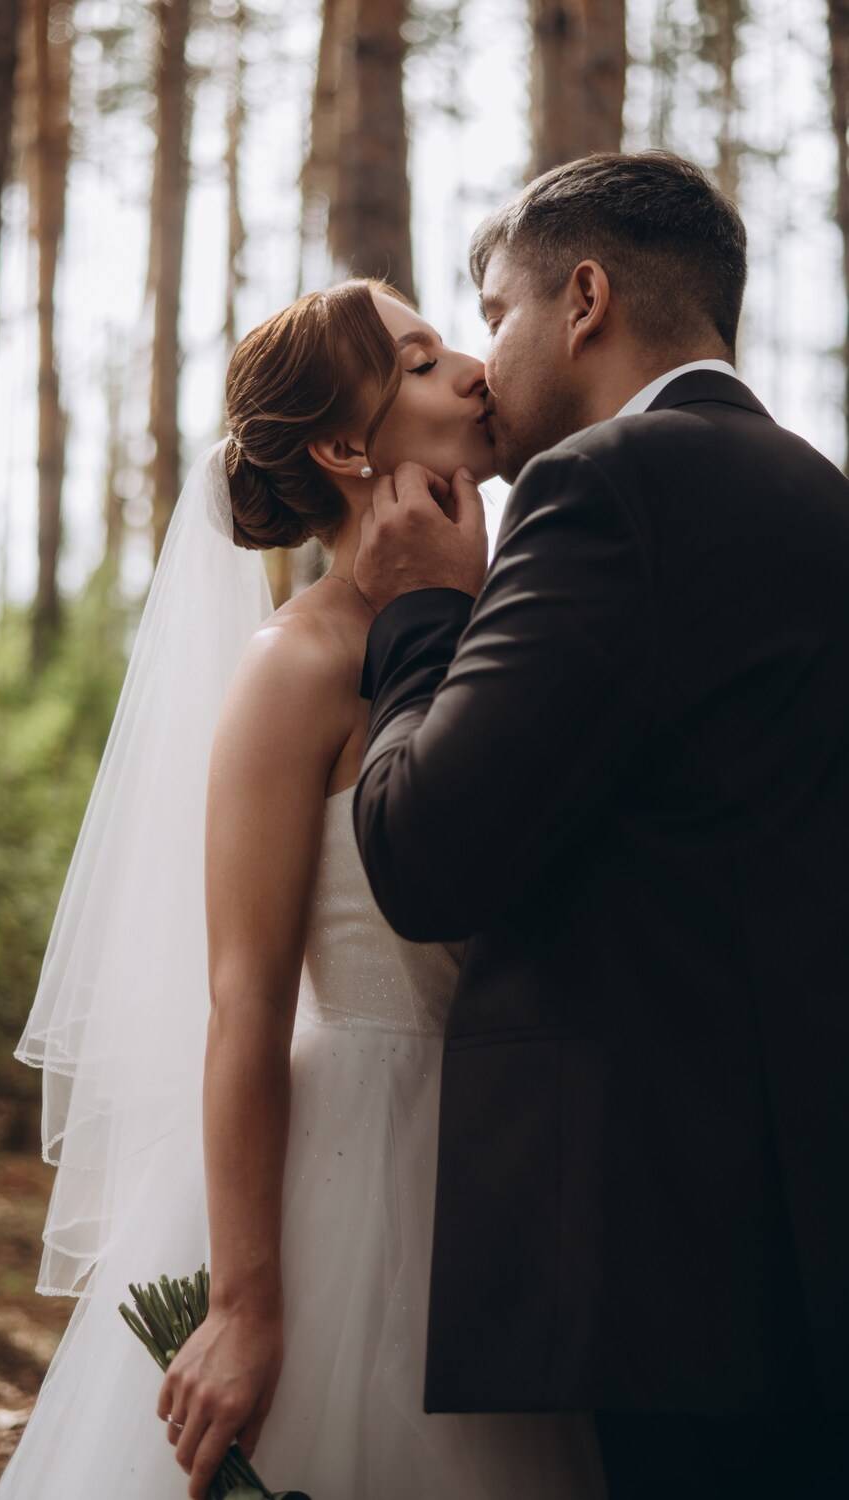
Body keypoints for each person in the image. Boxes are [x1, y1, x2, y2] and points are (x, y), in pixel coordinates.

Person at [0, 279, 603, 1500]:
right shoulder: (298, 666)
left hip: (516, 1183)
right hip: (349, 1179)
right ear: (341, 448)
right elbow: (245, 1001)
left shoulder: (514, 625)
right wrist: (245, 1304)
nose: (473, 369)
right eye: (420, 362)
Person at [351, 150, 849, 1499]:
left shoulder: (602, 490)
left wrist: (419, 616)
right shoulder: (817, 494)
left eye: (493, 315)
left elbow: (423, 856)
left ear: (581, 301)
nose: (480, 363)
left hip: (665, 1253)